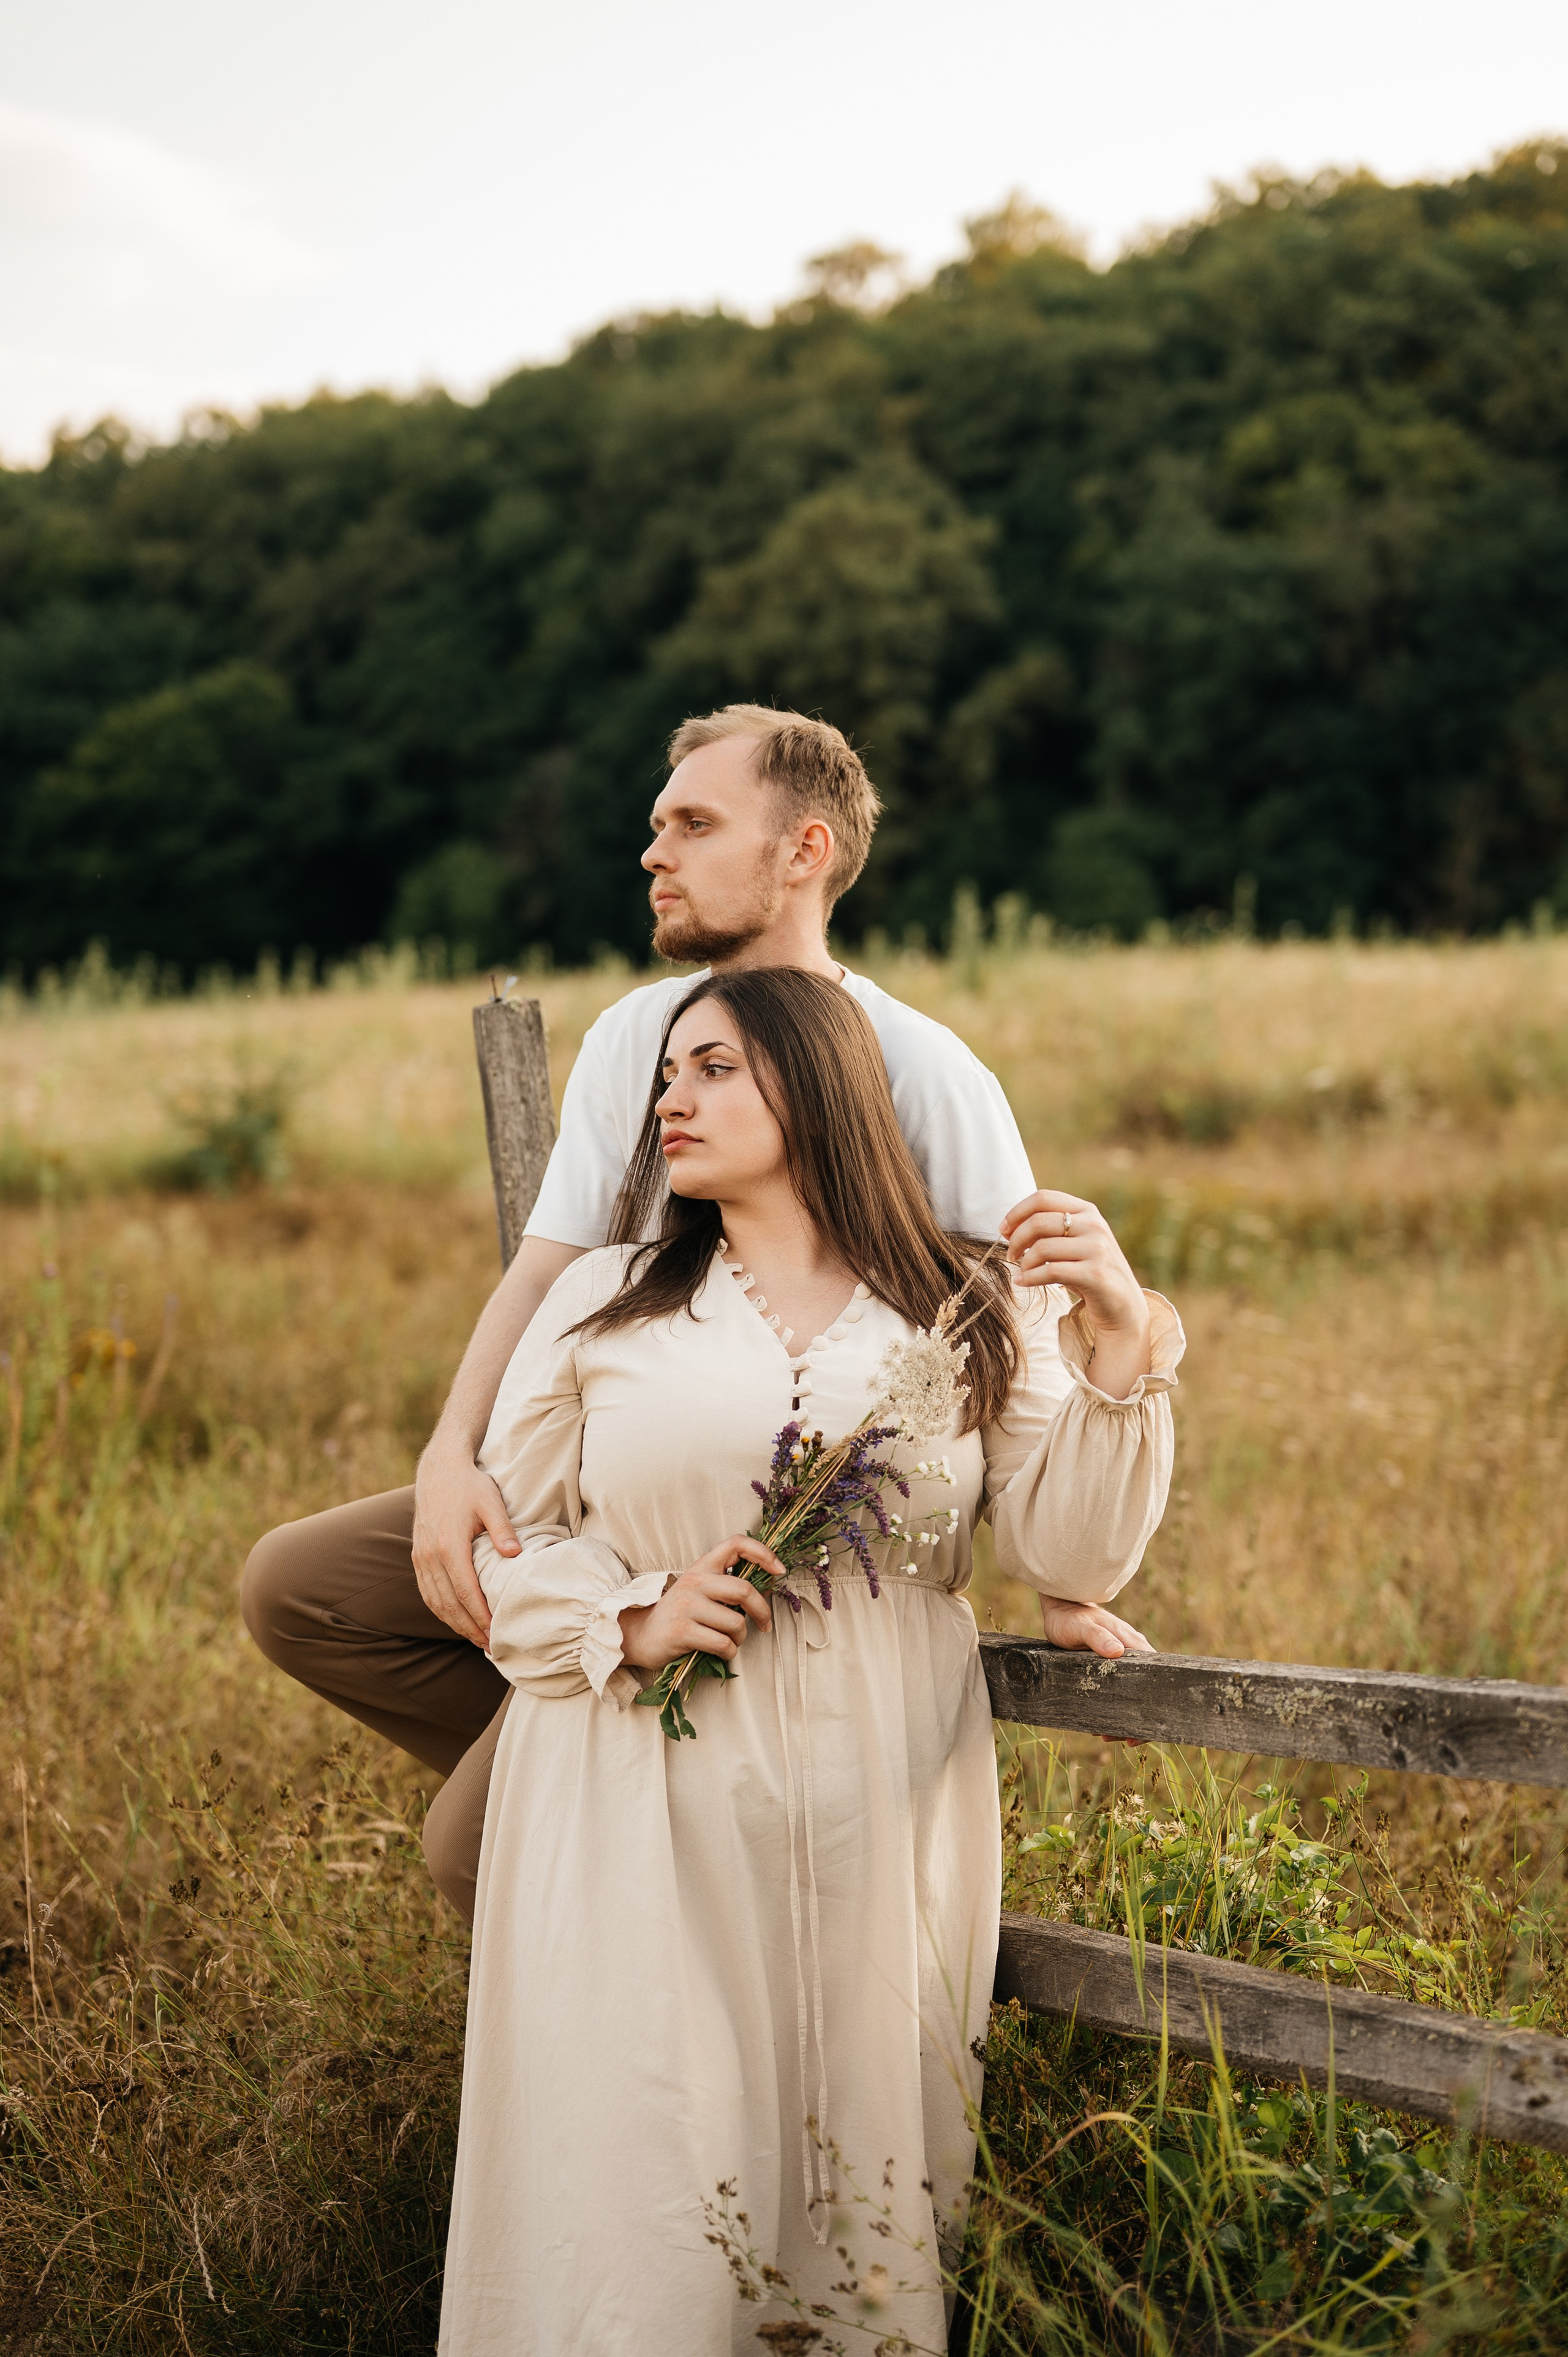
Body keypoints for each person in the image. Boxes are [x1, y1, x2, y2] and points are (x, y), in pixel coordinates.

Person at [241, 704, 1153, 1918]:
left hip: (788, 1509)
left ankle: (614, 1791)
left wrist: (1058, 1569)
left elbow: (1009, 1325)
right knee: (302, 1588)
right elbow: (546, 1264)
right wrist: (452, 1453)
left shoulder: (920, 1064)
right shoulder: (635, 1035)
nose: (651, 854)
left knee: (475, 1849)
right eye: (655, 824)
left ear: (802, 851)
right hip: (613, 1467)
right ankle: (612, 1731)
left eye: (692, 824)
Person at [437, 966, 1182, 2355]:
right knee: (642, 2182)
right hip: (630, 1798)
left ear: (820, 1081)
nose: (673, 1097)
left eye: (714, 1067)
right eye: (669, 1074)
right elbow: (496, 1544)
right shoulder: (604, 1300)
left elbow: (1072, 1554)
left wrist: (1119, 1337)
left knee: (856, 2198)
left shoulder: (966, 1309)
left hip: (881, 1807)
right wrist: (628, 1615)